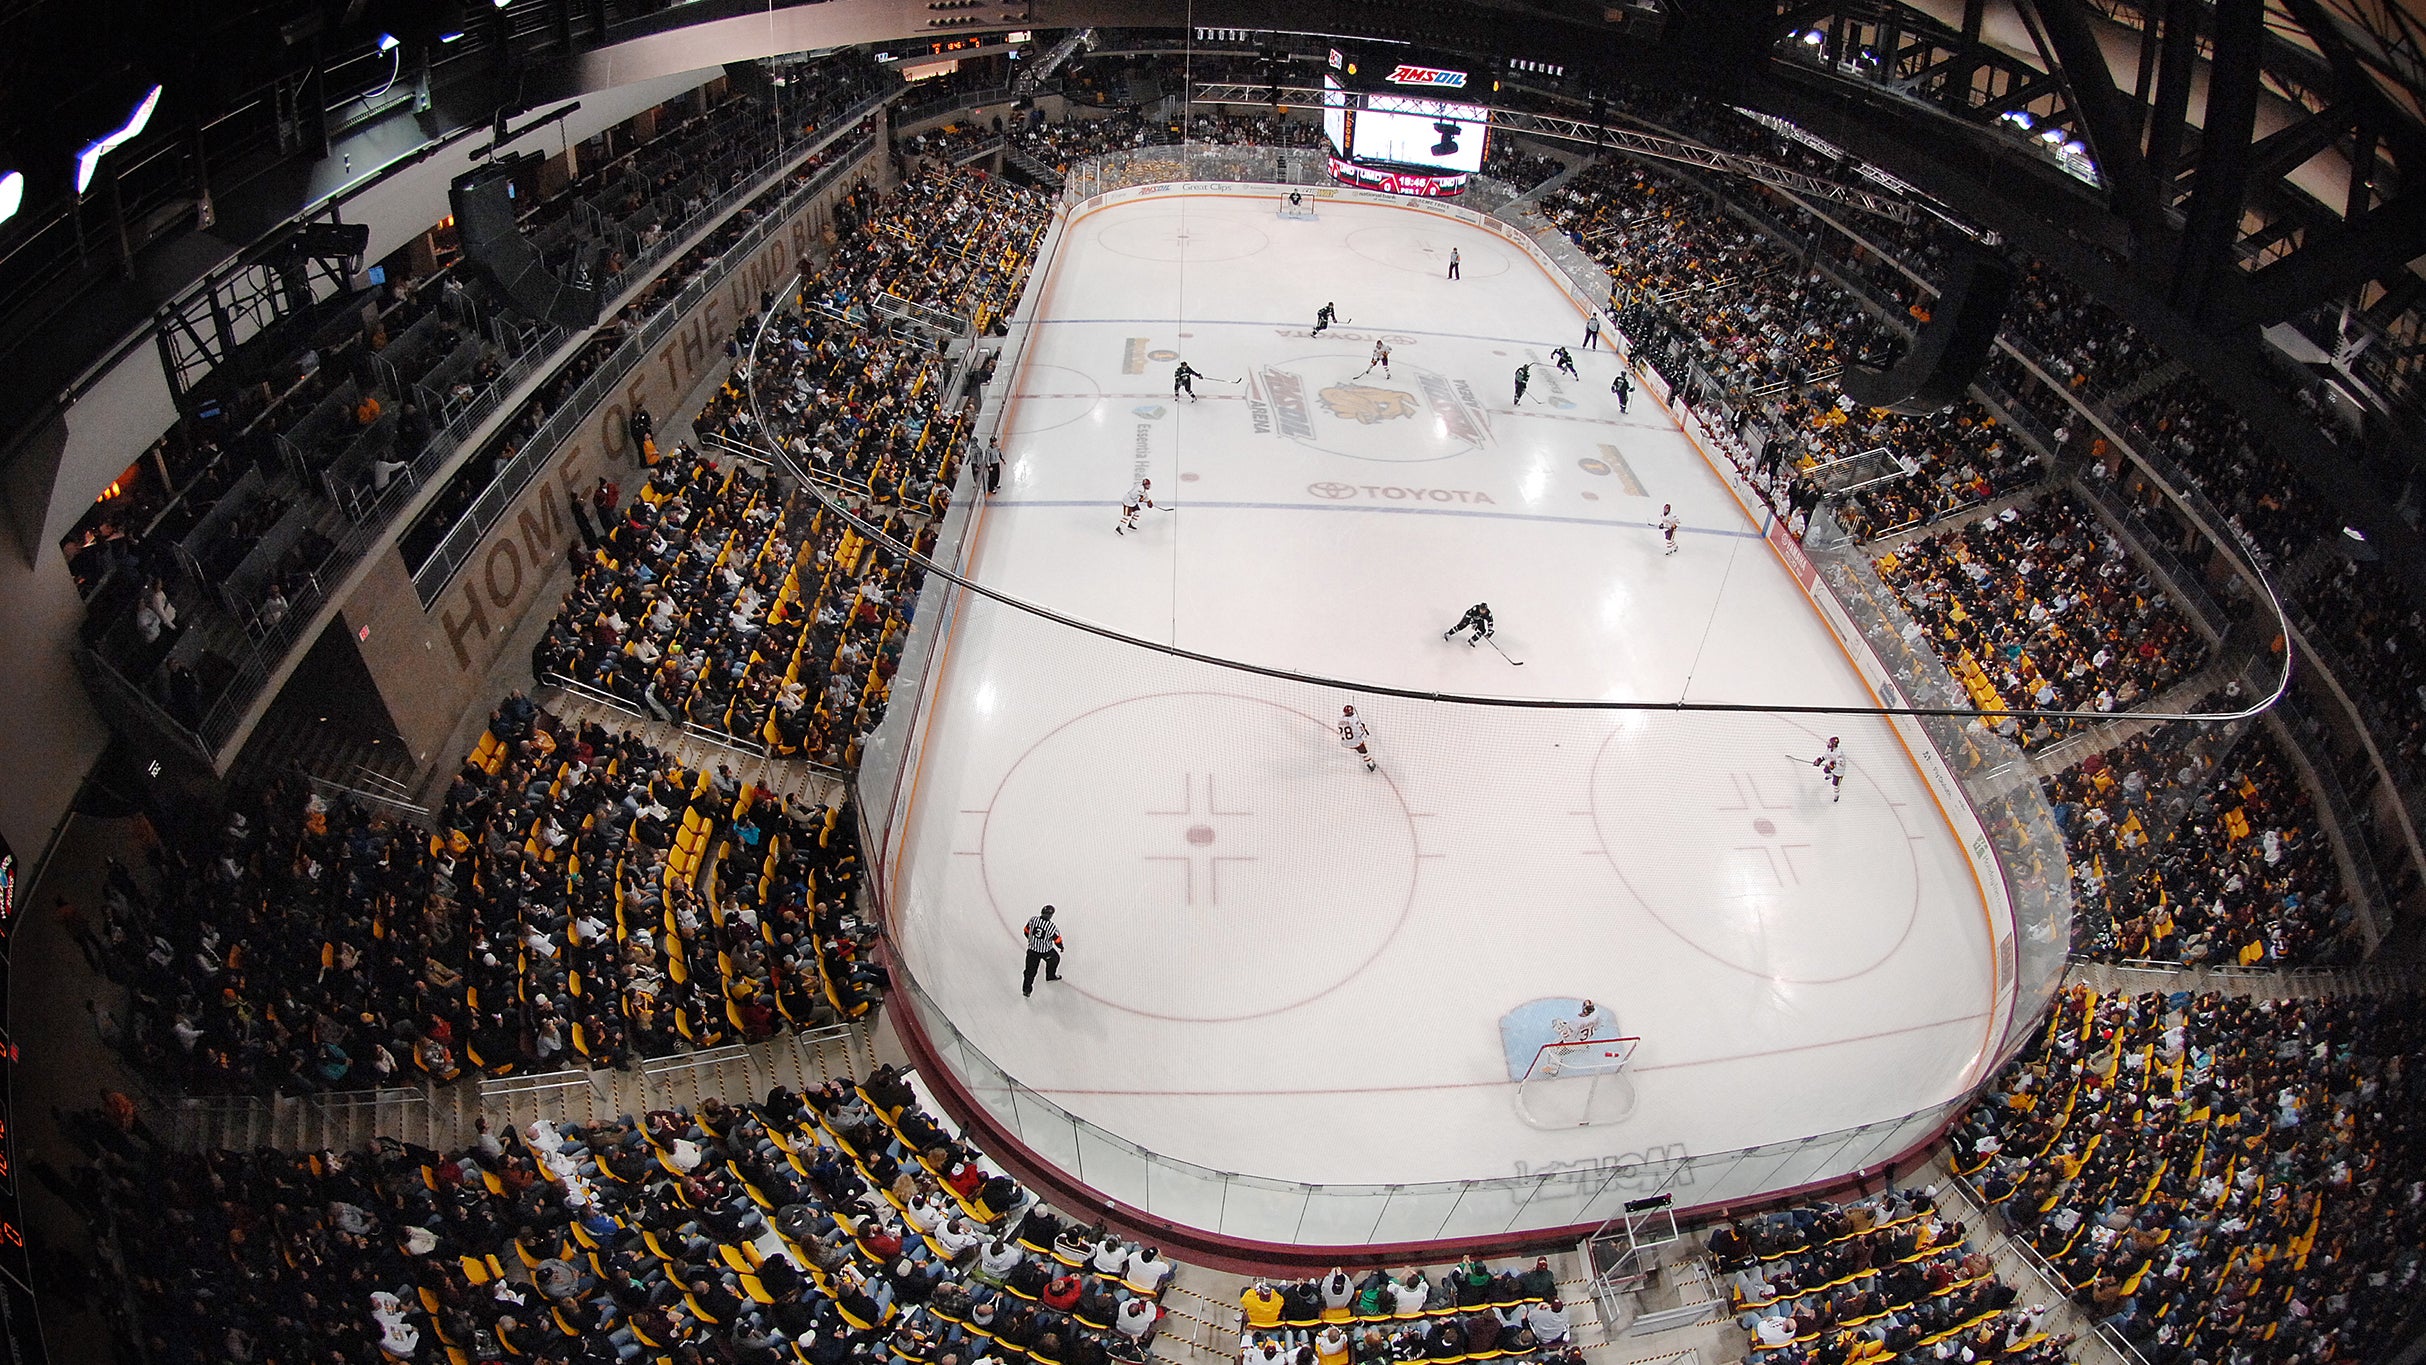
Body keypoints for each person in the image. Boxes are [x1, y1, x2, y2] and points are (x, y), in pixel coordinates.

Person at [1021, 906, 1064, 997]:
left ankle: (1026, 990)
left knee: (1029, 972)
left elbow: (1026, 931)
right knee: (1055, 959)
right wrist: (1061, 947)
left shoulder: (1033, 920)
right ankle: (1050, 975)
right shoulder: (1052, 927)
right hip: (1046, 951)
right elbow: (1057, 940)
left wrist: (1031, 940)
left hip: (1032, 951)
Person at [1338, 705, 1377, 773]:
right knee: (1364, 752)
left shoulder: (1340, 720)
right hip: (1355, 742)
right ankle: (1370, 764)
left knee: (1355, 743)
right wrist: (1363, 729)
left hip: (1344, 742)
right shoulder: (1354, 719)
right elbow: (1360, 732)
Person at [1813, 736, 1846, 802]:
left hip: (1838, 772)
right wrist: (1820, 759)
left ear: (1834, 744)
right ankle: (1830, 775)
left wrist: (1834, 765)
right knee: (1825, 770)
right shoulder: (1830, 749)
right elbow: (1826, 755)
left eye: (1830, 743)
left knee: (1835, 784)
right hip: (1832, 767)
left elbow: (1841, 765)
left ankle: (1836, 795)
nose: (1829, 744)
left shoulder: (1839, 753)